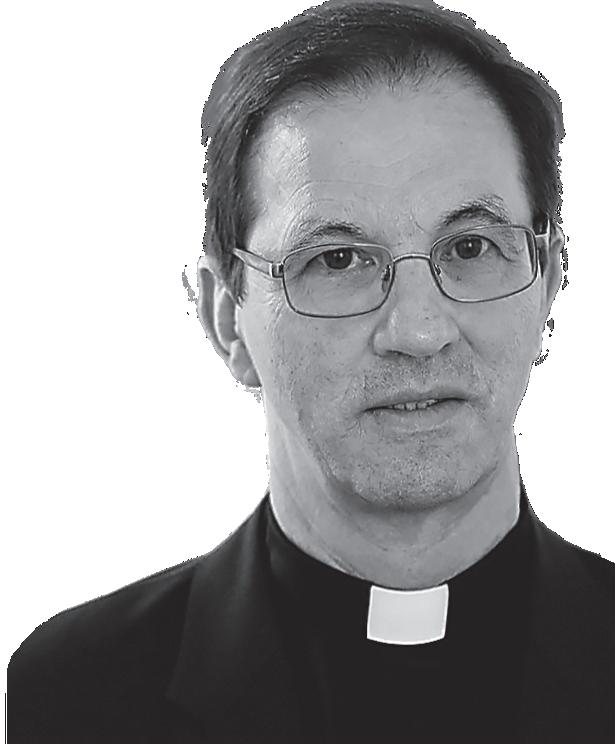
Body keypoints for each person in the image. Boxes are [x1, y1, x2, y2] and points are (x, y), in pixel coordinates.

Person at [8, 1, 615, 742]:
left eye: (470, 248)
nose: (418, 332)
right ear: (226, 317)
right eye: (338, 260)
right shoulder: (68, 699)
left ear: (550, 281)